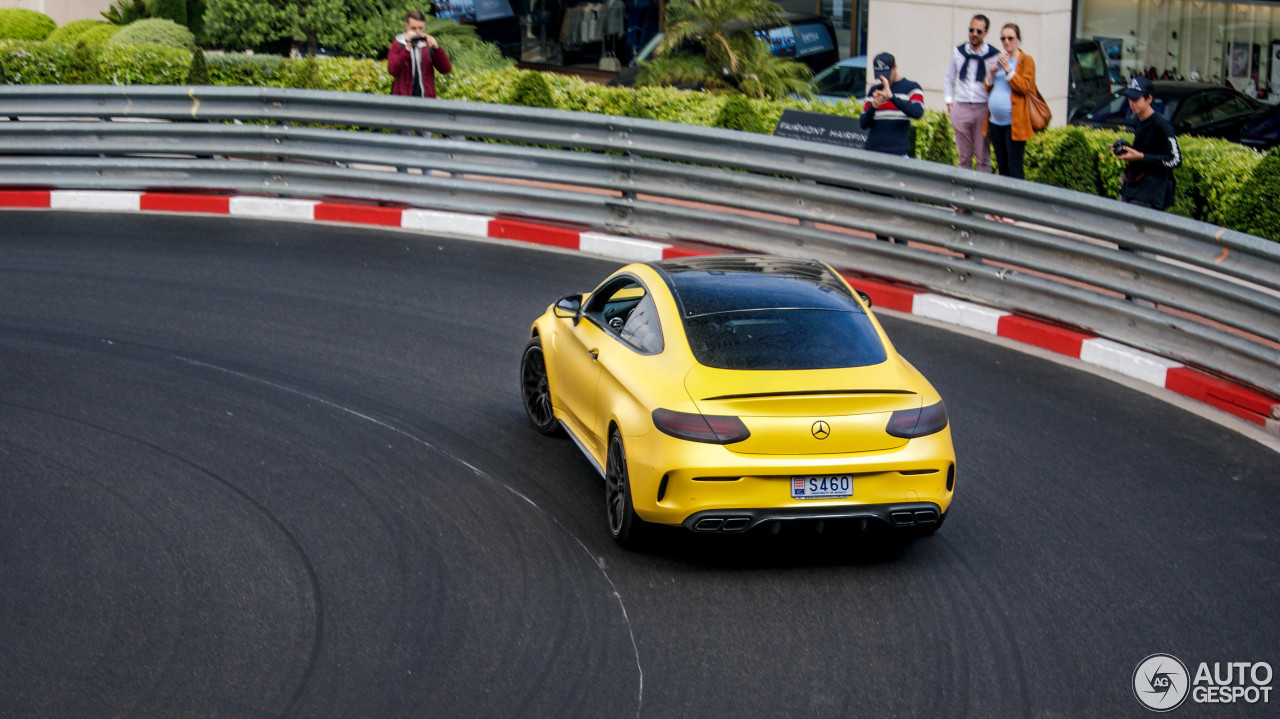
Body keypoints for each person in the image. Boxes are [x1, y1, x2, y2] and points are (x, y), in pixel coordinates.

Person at [1115, 76, 1181, 210]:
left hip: (1149, 196)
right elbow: (1144, 151)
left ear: (1149, 98)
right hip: (1132, 190)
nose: (1132, 103)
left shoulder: (1161, 124)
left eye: (1136, 99)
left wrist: (1141, 157)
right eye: (1129, 99)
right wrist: (1126, 149)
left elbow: (1176, 160)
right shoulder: (1139, 121)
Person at [943, 15, 998, 173]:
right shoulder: (958, 52)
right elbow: (948, 78)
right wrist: (950, 104)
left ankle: (982, 193)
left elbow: (995, 83)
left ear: (985, 32)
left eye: (978, 31)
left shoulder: (993, 55)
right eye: (971, 30)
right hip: (961, 106)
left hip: (983, 107)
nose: (974, 34)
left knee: (983, 157)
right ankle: (964, 193)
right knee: (964, 157)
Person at [984, 23, 1035, 180]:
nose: (1006, 42)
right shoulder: (999, 59)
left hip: (1014, 123)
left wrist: (1007, 69)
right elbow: (987, 88)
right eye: (1003, 38)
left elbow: (1025, 87)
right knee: (1002, 166)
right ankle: (1004, 202)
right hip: (995, 122)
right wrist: (991, 75)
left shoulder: (1025, 61)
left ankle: (1018, 202)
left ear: (1018, 40)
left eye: (1010, 38)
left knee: (1015, 167)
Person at [860, 52, 925, 157]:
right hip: (872, 151)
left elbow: (918, 112)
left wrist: (892, 97)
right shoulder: (874, 90)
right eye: (880, 76)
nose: (884, 79)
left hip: (898, 152)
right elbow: (863, 124)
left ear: (895, 67)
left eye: (887, 74)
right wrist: (873, 107)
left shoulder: (912, 88)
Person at [388, 9, 452, 99]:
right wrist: (407, 48)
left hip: (426, 101)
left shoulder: (427, 45)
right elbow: (392, 70)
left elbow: (446, 69)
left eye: (420, 28)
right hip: (402, 101)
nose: (417, 32)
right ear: (407, 26)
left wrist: (437, 49)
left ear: (424, 26)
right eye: (413, 28)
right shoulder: (397, 45)